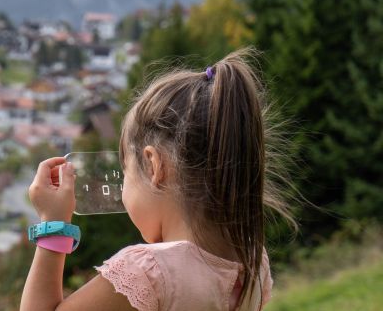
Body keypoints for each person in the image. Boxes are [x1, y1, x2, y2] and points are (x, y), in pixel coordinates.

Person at [20, 49, 295, 311]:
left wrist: (53, 227)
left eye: (126, 172)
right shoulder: (253, 262)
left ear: (154, 166)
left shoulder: (148, 272)